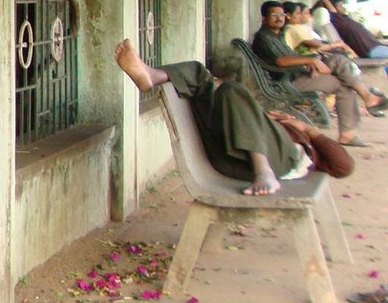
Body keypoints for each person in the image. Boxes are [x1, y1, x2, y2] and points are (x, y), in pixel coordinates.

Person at [114, 39, 352, 195]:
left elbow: (345, 166)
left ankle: (263, 171)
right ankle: (152, 76)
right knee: (200, 73)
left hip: (275, 163)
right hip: (229, 152)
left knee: (232, 90)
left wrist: (307, 129)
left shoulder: (308, 151)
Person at [251, 0, 373, 141]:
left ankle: (365, 100)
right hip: (285, 82)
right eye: (274, 15)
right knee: (342, 79)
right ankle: (360, 110)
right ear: (264, 18)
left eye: (282, 15)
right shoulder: (263, 37)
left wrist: (308, 64)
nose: (279, 18)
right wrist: (311, 61)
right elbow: (281, 61)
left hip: (296, 75)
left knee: (340, 67)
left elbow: (290, 57)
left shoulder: (277, 35)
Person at [314, 0, 388, 60]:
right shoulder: (338, 20)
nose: (343, 8)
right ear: (334, 8)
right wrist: (325, 1)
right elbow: (331, 9)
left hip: (376, 46)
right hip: (370, 49)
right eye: (340, 6)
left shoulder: (345, 18)